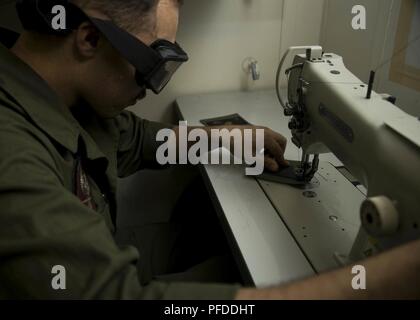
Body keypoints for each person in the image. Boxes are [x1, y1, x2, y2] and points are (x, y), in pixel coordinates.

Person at [0, 0, 419, 300]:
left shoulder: (64, 100)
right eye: (153, 66)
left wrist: (230, 140)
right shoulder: (12, 153)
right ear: (90, 38)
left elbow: (138, 140)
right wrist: (381, 282)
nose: (150, 87)